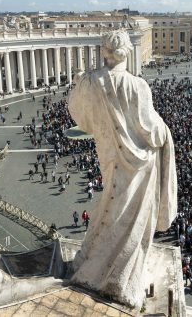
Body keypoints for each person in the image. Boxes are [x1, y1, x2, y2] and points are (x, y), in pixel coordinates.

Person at [68, 29, 177, 309]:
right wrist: (166, 132)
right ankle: (121, 277)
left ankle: (95, 263)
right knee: (130, 215)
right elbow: (151, 131)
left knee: (112, 204)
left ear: (103, 52)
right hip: (139, 166)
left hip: (109, 157)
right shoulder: (137, 86)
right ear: (127, 52)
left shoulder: (89, 82)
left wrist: (83, 86)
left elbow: (79, 116)